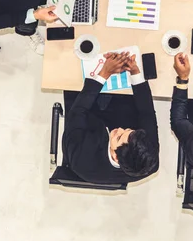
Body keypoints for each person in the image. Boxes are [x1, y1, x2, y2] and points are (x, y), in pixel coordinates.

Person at [64, 52, 159, 184]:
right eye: (129, 131)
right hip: (122, 111)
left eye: (119, 136)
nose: (120, 129)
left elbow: (77, 112)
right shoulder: (149, 157)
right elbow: (146, 114)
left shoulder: (82, 159)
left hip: (88, 119)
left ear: (115, 156)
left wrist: (104, 73)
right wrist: (135, 72)